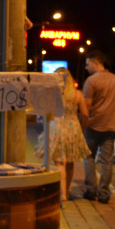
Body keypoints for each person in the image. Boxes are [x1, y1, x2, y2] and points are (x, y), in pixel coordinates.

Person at [36, 67, 90, 201]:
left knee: (60, 163)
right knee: (70, 163)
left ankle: (62, 194)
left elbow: (43, 113)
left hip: (57, 128)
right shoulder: (77, 95)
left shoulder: (52, 94)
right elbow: (85, 114)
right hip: (73, 129)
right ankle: (67, 190)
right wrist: (82, 128)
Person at [81, 50, 115, 204]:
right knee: (107, 161)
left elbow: (87, 105)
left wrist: (82, 124)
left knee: (88, 157)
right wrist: (112, 117)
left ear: (96, 62)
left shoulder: (91, 81)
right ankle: (104, 193)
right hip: (110, 127)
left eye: (88, 64)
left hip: (93, 125)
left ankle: (91, 190)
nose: (86, 67)